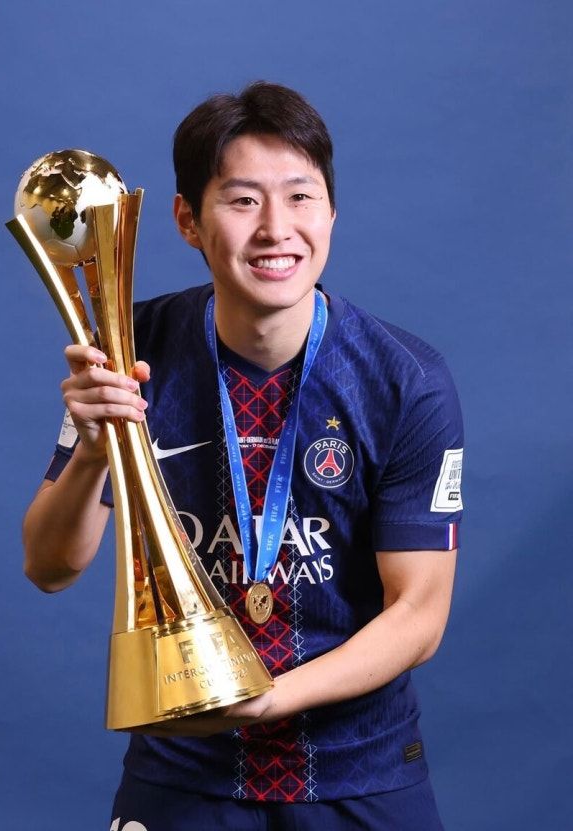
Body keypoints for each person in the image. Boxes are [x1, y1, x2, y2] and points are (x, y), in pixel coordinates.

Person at [23, 82, 464, 830]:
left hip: (359, 771)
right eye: (242, 200)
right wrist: (95, 452)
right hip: (183, 772)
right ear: (186, 220)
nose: (275, 229)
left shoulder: (405, 380)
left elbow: (419, 614)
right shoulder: (128, 351)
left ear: (331, 212)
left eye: (300, 197)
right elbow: (50, 566)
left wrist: (266, 699)